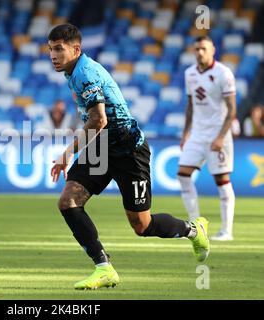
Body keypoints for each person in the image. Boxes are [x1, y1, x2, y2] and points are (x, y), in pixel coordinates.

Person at [48, 23, 210, 290]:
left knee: (142, 225)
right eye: (50, 50)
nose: (53, 55)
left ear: (76, 49)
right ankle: (103, 267)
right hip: (101, 149)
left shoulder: (85, 74)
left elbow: (98, 120)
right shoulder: (72, 71)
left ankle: (193, 230)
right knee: (68, 201)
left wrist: (67, 154)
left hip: (129, 150)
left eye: (58, 49)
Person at [178, 36, 237, 241]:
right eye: (196, 49)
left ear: (213, 50)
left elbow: (231, 110)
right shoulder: (190, 73)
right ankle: (196, 227)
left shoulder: (223, 74)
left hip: (218, 134)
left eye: (203, 49)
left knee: (222, 181)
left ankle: (226, 231)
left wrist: (221, 137)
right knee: (182, 174)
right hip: (197, 134)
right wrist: (186, 133)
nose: (199, 53)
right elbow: (191, 105)